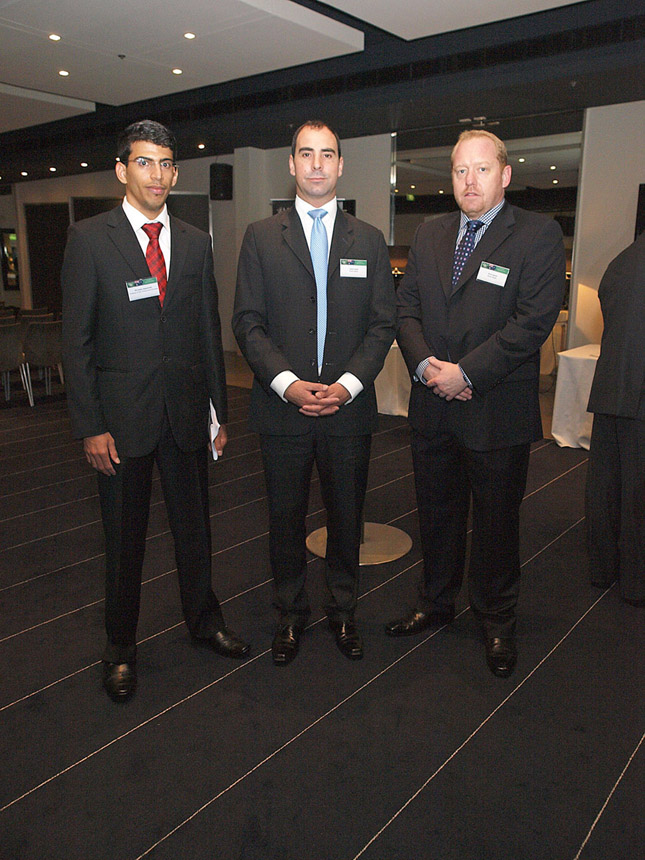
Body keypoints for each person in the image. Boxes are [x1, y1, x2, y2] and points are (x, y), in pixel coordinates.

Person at [62, 120, 249, 703]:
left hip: (187, 415)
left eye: (167, 164)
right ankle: (120, 647)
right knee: (125, 543)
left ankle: (205, 622)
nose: (158, 175)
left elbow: (206, 331)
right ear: (122, 170)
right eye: (145, 163)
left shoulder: (194, 241)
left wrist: (217, 412)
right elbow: (77, 342)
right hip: (121, 424)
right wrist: (91, 425)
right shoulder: (89, 239)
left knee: (196, 531)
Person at [386, 129, 565, 677]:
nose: (469, 180)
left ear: (504, 175)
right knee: (436, 514)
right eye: (460, 170)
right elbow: (405, 309)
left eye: (481, 169)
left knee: (496, 525)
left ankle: (496, 618)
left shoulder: (537, 234)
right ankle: (435, 601)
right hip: (433, 407)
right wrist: (426, 366)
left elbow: (532, 323)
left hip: (495, 410)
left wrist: (465, 373)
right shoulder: (430, 232)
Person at [233, 120, 395, 665]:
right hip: (283, 411)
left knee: (347, 520)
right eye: (306, 154)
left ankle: (344, 612)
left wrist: (347, 386)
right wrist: (288, 384)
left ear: (341, 165)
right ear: (292, 164)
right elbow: (247, 322)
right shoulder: (260, 236)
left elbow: (383, 324)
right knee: (284, 520)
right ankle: (290, 614)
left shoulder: (368, 240)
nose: (317, 164)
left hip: (348, 411)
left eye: (327, 154)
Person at [585, 231, 645, 607]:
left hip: (611, 387)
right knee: (637, 495)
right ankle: (637, 584)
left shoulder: (620, 261)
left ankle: (604, 569)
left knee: (606, 489)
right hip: (639, 395)